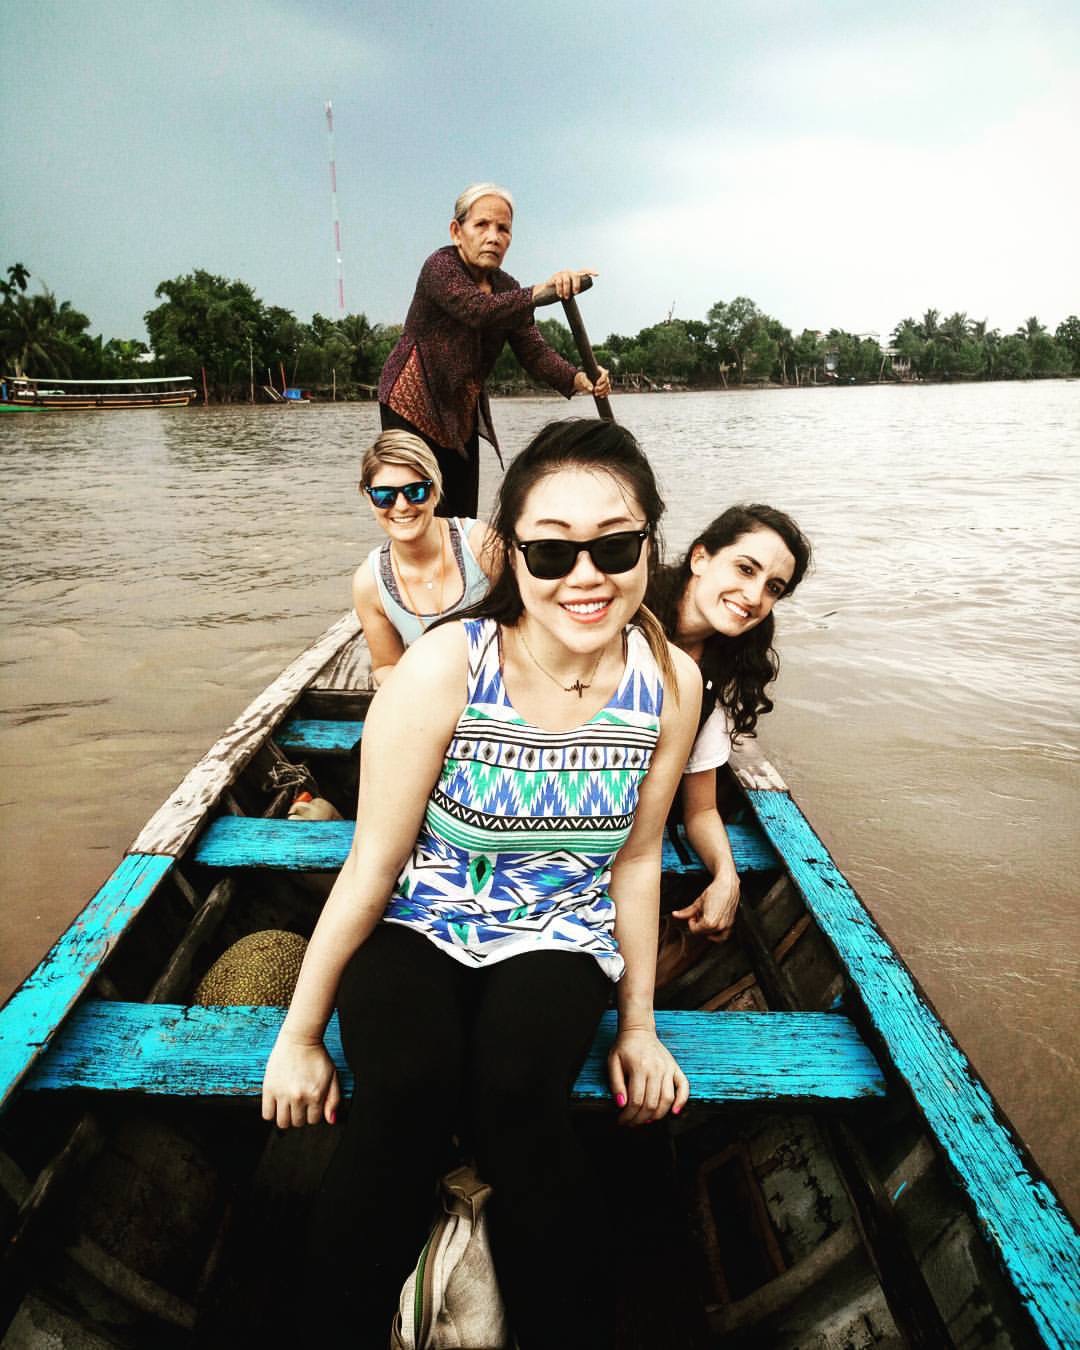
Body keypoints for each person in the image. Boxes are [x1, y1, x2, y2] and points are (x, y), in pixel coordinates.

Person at [262, 418, 700, 1346]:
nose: (585, 577)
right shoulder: (446, 665)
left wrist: (639, 1026)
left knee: (518, 1101)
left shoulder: (670, 681)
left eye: (615, 547)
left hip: (559, 926)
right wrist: (298, 1036)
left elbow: (635, 860)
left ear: (650, 545)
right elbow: (372, 864)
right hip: (421, 914)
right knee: (403, 1099)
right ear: (513, 554)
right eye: (552, 551)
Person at [378, 182, 612, 518]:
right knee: (417, 506)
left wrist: (580, 379)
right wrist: (542, 291)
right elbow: (477, 309)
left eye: (503, 229)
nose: (493, 237)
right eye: (482, 225)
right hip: (411, 403)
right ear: (457, 232)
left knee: (461, 515)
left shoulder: (506, 287)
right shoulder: (441, 266)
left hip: (459, 408)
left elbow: (533, 351)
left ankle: (460, 553)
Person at [648, 504, 812, 941]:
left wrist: (727, 876)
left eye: (773, 587)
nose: (755, 597)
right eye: (745, 568)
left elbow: (700, 807)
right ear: (700, 558)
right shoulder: (622, 618)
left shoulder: (719, 673)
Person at [352, 429, 497, 685]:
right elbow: (386, 665)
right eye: (384, 496)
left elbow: (534, 624)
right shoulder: (369, 583)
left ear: (434, 491)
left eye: (415, 491)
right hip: (434, 694)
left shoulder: (481, 544)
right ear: (368, 497)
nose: (401, 506)